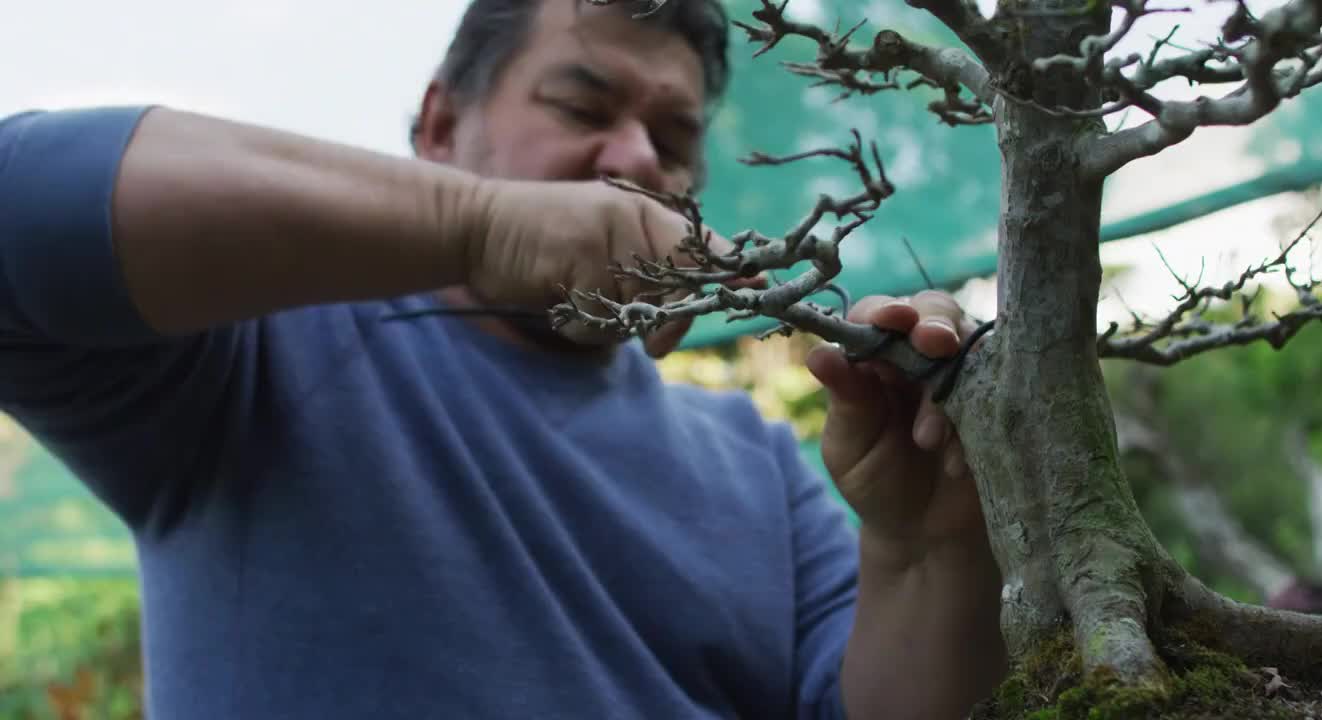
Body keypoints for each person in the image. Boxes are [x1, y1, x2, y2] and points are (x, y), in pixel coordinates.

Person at [0, 0, 1005, 717]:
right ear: (440, 125)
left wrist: (928, 550)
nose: (638, 160)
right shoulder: (260, 347)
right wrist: (478, 226)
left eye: (673, 134)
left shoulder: (758, 462)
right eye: (582, 106)